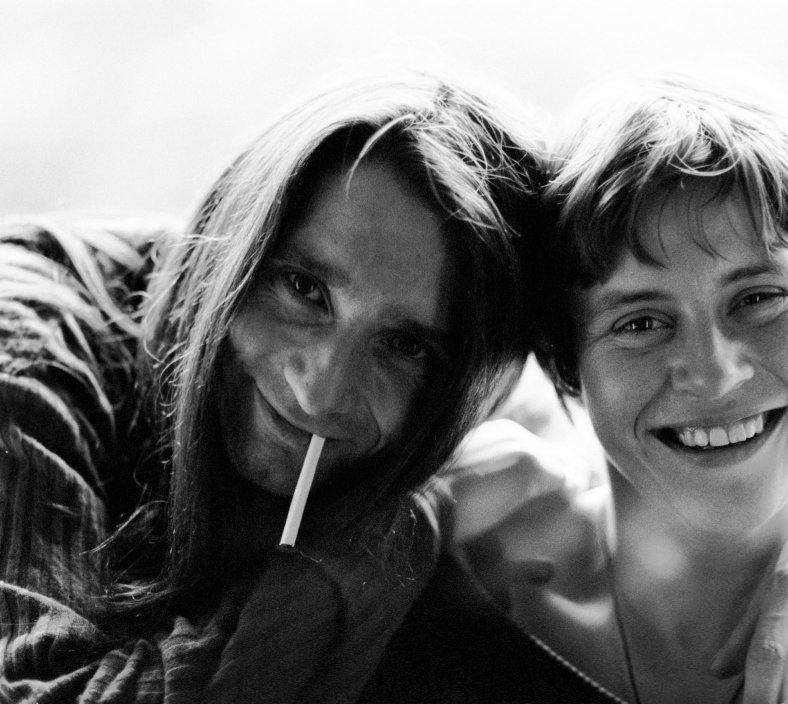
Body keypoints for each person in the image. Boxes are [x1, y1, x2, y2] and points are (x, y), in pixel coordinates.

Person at [360, 69, 788, 704]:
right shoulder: (428, 605)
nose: (713, 371)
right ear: (563, 363)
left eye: (758, 298)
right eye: (641, 323)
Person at [0, 70, 547, 702]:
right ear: (233, 237)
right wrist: (404, 526)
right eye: (305, 289)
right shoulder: (27, 352)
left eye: (404, 346)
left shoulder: (456, 431)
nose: (320, 395)